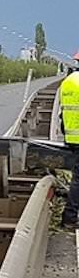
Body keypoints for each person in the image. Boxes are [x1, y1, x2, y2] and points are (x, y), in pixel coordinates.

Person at [61, 70, 79, 228]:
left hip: (72, 137)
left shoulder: (69, 80)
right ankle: (69, 217)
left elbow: (62, 113)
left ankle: (70, 217)